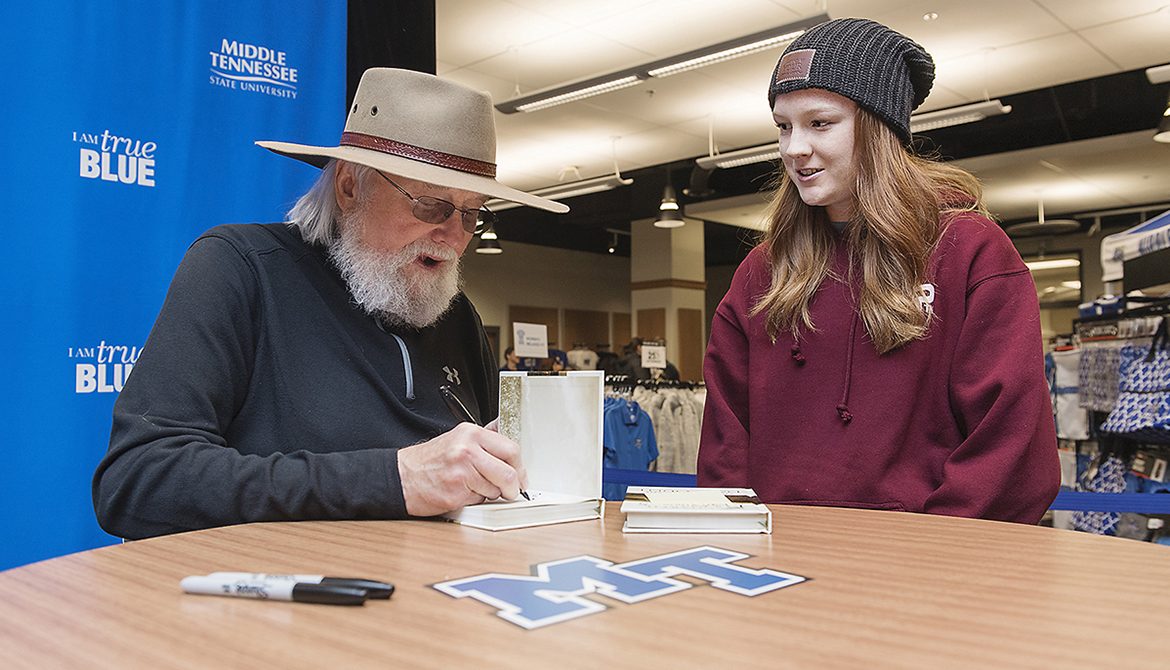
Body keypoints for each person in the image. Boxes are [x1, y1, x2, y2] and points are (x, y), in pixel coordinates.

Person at [92, 68, 568, 539]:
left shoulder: (458, 317)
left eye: (471, 214)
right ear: (349, 187)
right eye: (430, 205)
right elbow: (138, 479)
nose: (452, 237)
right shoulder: (241, 269)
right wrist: (396, 480)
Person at [697, 18, 1060, 524]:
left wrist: (932, 551)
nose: (793, 148)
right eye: (784, 126)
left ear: (879, 128)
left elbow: (1012, 446)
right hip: (777, 558)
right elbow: (725, 443)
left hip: (924, 558)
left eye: (819, 123)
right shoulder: (762, 273)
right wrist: (732, 539)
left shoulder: (969, 252)